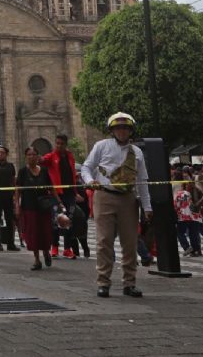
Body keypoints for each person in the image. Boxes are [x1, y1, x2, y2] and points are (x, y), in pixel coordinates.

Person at [80, 112, 153, 298]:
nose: (122, 131)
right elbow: (87, 167)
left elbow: (142, 180)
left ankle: (130, 283)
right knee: (104, 241)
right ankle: (103, 282)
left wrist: (147, 207)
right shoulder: (101, 146)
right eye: (118, 128)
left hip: (128, 199)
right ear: (112, 130)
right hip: (104, 196)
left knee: (130, 242)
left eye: (125, 128)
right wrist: (89, 181)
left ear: (130, 131)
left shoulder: (136, 153)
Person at [16, 146, 55, 270]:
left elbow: (51, 187)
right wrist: (17, 205)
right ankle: (37, 259)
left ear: (38, 156)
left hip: (44, 206)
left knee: (45, 231)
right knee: (32, 233)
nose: (31, 157)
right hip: (29, 206)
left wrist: (58, 202)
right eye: (29, 155)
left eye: (34, 154)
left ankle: (46, 252)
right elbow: (18, 190)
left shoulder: (44, 171)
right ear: (26, 157)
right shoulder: (22, 172)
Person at [41, 134, 78, 258]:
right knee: (56, 221)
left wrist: (75, 191)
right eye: (57, 143)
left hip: (70, 193)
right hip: (57, 194)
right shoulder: (51, 156)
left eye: (61, 144)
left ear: (65, 145)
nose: (59, 146)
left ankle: (67, 249)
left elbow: (72, 173)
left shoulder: (70, 156)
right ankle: (55, 247)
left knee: (68, 221)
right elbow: (43, 160)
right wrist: (37, 158)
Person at [0, 146, 19, 251]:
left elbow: (13, 180)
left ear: (6, 154)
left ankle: (11, 243)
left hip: (8, 196)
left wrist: (15, 195)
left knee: (9, 219)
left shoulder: (10, 166)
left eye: (2, 153)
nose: (0, 154)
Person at [174, 182, 203, 256]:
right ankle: (196, 251)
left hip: (184, 216)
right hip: (195, 216)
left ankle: (187, 247)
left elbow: (176, 205)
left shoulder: (181, 193)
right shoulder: (196, 192)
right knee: (193, 234)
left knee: (180, 233)